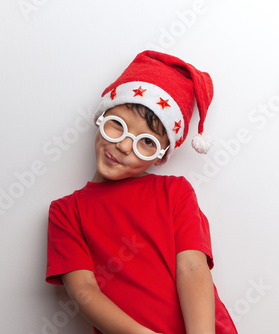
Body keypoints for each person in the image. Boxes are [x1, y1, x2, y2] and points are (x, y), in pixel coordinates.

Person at [45, 50, 238, 334]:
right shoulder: (65, 212)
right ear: (101, 118)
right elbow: (84, 291)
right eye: (118, 127)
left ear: (160, 156)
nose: (124, 146)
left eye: (145, 142)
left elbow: (193, 267)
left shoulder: (174, 191)